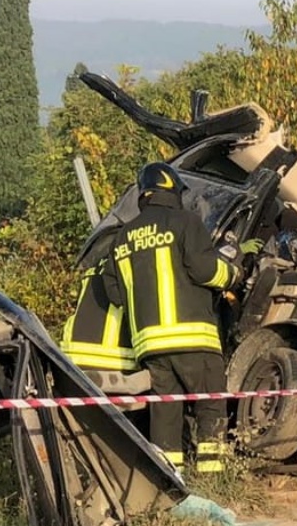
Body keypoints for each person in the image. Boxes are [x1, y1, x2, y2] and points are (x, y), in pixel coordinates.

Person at [101, 162, 242, 475]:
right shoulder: (185, 222)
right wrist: (232, 274)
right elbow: (205, 270)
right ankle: (212, 476)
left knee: (165, 413)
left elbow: (114, 293)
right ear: (173, 191)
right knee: (209, 404)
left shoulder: (122, 238)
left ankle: (169, 481)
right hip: (193, 338)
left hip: (151, 347)